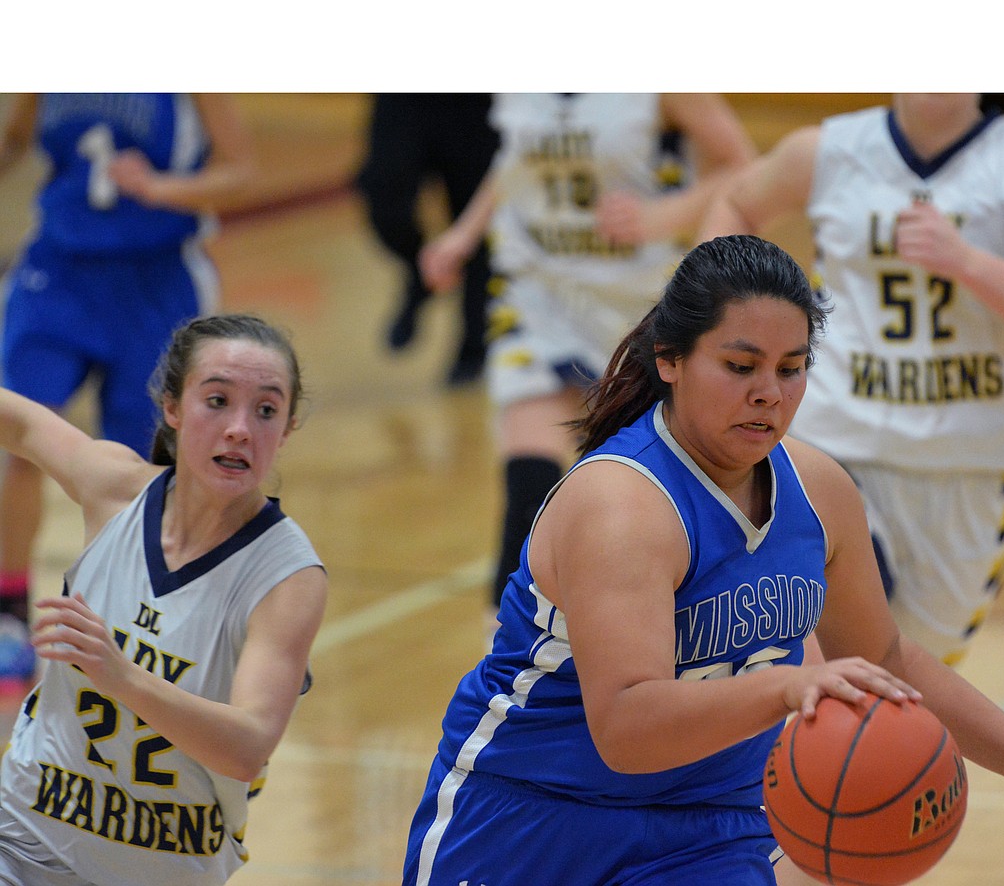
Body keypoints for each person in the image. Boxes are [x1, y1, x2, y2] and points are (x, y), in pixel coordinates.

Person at [402, 235, 1004, 886]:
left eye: (792, 368)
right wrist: (789, 687)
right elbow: (627, 728)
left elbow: (885, 655)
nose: (769, 393)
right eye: (740, 364)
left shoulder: (818, 489)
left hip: (712, 827)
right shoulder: (623, 506)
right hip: (534, 819)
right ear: (671, 360)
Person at [701, 94, 1004, 666]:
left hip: (964, 464)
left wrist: (966, 261)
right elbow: (736, 202)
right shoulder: (830, 150)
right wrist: (715, 320)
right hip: (832, 437)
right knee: (809, 639)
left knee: (906, 681)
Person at [0, 312, 327, 886]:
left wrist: (119, 673)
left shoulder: (288, 576)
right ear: (172, 408)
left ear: (289, 428)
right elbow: (21, 426)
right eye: (217, 401)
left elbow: (248, 746)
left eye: (266, 410)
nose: (240, 429)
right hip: (22, 842)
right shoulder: (112, 487)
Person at [420, 92, 757, 631]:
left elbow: (745, 165)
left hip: (638, 300)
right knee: (527, 469)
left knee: (643, 482)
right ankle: (505, 639)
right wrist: (463, 234)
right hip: (539, 290)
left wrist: (660, 215)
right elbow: (515, 163)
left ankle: (676, 622)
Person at [0, 93, 256, 690]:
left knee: (144, 467)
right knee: (17, 440)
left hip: (156, 275)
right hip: (57, 270)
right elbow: (17, 138)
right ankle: (9, 618)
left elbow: (241, 172)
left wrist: (161, 188)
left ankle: (134, 622)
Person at [355, 93, 499, 386]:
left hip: (476, 104)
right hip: (405, 97)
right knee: (384, 197)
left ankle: (473, 346)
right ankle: (422, 275)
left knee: (477, 230)